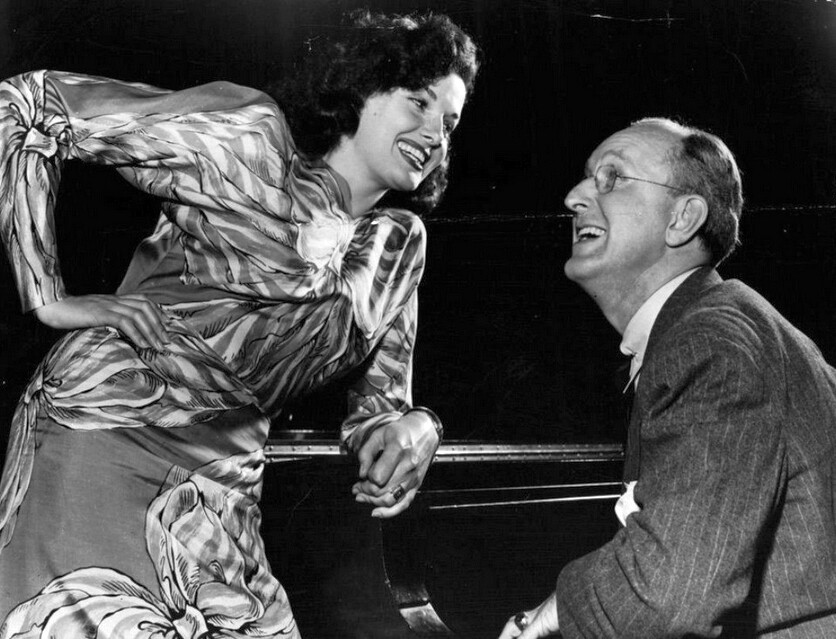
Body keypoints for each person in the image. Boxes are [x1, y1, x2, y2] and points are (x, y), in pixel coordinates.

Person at [0, 11, 478, 637]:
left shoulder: (396, 245)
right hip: (104, 441)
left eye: (450, 122)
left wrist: (418, 426)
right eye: (418, 101)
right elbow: (29, 105)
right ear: (361, 89)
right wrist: (47, 296)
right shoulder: (251, 141)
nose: (434, 134)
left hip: (219, 493)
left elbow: (378, 412)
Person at [499, 118, 836, 638]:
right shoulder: (719, 323)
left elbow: (667, 593)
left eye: (612, 177)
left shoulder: (709, 343)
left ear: (682, 219)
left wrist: (555, 610)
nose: (573, 198)